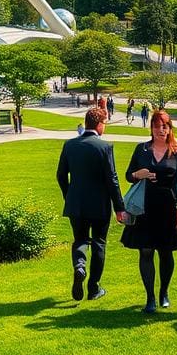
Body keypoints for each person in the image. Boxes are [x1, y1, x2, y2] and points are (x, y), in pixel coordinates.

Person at [56, 107, 128, 302]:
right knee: (99, 243)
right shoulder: (105, 147)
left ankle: (80, 266)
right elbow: (112, 179)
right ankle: (93, 287)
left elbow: (61, 175)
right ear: (99, 124)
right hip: (99, 205)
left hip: (76, 203)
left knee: (80, 240)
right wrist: (120, 207)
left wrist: (68, 195)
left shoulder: (69, 145)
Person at [121, 109, 177, 313]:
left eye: (164, 126)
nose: (160, 129)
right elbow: (128, 176)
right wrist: (138, 174)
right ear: (151, 128)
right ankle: (150, 298)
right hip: (144, 207)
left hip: (167, 207)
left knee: (165, 252)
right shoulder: (142, 149)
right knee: (145, 250)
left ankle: (164, 292)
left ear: (170, 128)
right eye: (156, 126)